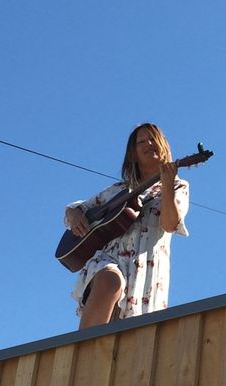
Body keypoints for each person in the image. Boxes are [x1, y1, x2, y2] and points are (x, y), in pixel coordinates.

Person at [64, 123, 189, 329]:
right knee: (109, 282)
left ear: (163, 146)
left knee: (133, 337)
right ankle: (81, 352)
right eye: (141, 141)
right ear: (133, 154)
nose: (148, 144)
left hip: (146, 269)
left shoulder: (177, 186)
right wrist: (74, 214)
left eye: (152, 139)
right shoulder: (118, 190)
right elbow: (76, 208)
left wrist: (167, 186)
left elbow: (170, 224)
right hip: (111, 259)